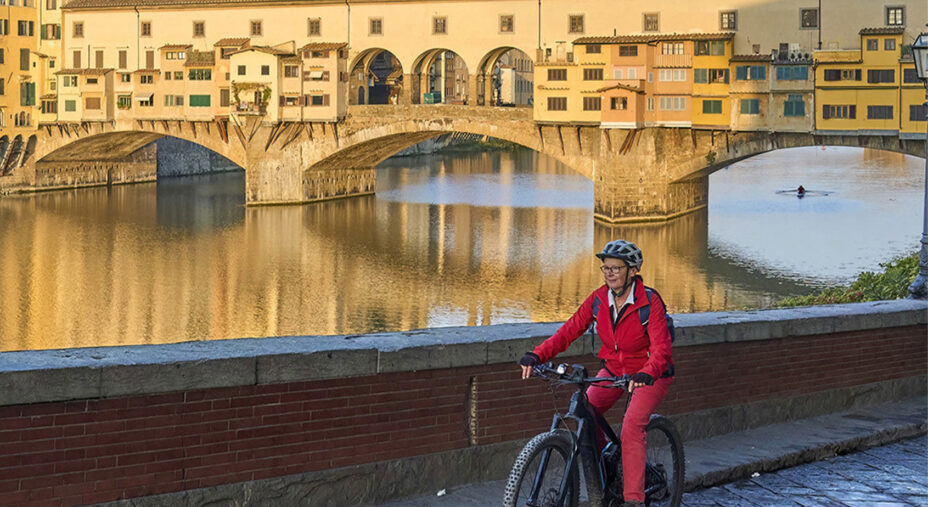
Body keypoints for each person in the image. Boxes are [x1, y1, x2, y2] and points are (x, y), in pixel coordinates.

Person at [519, 240, 674, 507]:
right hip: (613, 372)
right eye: (606, 268)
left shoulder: (650, 302)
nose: (609, 273)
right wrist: (538, 355)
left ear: (633, 271)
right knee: (585, 411)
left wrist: (646, 373)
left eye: (616, 268)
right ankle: (608, 473)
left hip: (650, 375)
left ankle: (634, 500)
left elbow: (662, 349)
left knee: (631, 427)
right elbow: (569, 331)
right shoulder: (599, 300)